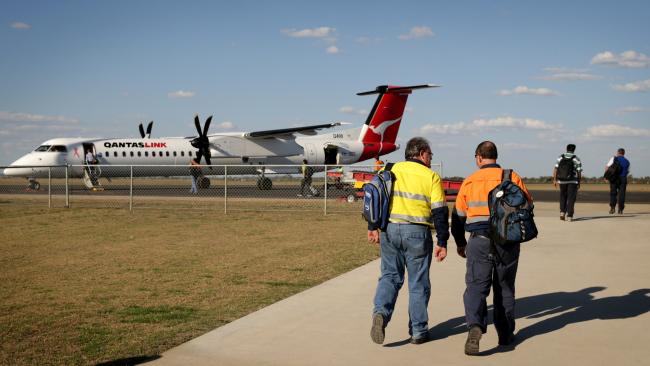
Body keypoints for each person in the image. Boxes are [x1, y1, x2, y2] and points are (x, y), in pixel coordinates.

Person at [451, 141, 532, 355]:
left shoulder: (469, 181)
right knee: (505, 287)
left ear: (478, 158)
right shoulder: (512, 177)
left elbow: (457, 217)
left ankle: (475, 327)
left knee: (476, 286)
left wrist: (460, 243)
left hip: (479, 240)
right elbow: (528, 205)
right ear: (496, 157)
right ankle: (505, 334)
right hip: (507, 241)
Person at [368, 137, 449, 345]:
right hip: (417, 233)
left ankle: (380, 314)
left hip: (389, 229)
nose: (431, 158)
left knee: (389, 276)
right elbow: (439, 211)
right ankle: (419, 331)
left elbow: (376, 197)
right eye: (430, 154)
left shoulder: (389, 169)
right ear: (422, 153)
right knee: (418, 283)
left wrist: (372, 227)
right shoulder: (431, 176)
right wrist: (442, 241)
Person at [553, 144, 582, 222]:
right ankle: (569, 216)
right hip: (572, 181)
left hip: (561, 181)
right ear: (574, 149)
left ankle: (562, 212)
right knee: (571, 198)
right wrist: (579, 181)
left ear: (566, 149)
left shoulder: (560, 157)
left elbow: (556, 169)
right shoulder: (576, 158)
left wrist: (554, 180)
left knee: (563, 196)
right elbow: (579, 171)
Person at [606, 148, 631, 214]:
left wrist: (607, 177)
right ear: (624, 153)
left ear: (618, 152)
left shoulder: (614, 158)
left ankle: (612, 208)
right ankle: (620, 209)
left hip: (614, 178)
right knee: (622, 194)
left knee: (613, 193)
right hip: (623, 178)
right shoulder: (627, 161)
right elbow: (628, 171)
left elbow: (607, 167)